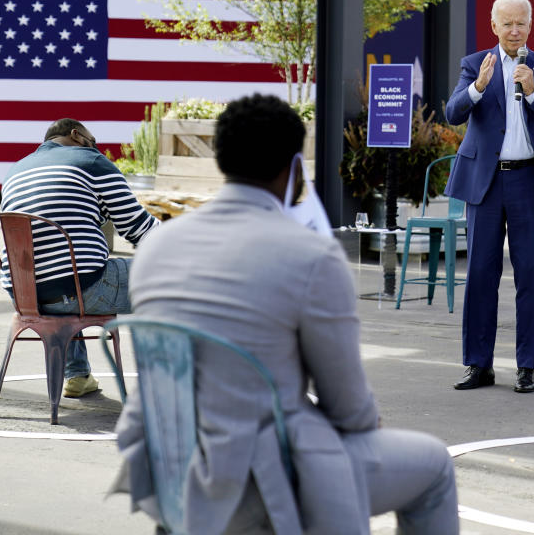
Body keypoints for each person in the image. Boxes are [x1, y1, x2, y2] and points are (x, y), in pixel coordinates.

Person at [113, 94, 459, 535]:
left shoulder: (157, 247)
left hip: (169, 462)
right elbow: (349, 410)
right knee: (433, 465)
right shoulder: (311, 256)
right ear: (296, 167)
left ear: (220, 158)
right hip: (266, 477)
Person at [444, 0, 534, 393]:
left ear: (530, 26)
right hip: (485, 184)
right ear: (493, 25)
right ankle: (478, 365)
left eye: (521, 23)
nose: (514, 30)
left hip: (528, 182)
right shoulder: (474, 65)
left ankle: (527, 367)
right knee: (481, 276)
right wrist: (479, 87)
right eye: (507, 23)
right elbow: (453, 114)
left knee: (530, 277)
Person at [0, 118, 159, 397]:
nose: (96, 148)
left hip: (25, 295)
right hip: (82, 289)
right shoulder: (90, 161)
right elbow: (139, 229)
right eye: (93, 141)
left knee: (67, 271)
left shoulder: (16, 170)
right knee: (178, 280)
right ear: (76, 135)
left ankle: (78, 376)